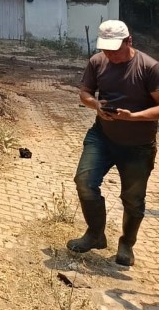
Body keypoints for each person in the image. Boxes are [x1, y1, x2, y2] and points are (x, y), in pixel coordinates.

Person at [68, 20, 159, 266]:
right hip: (102, 137)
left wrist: (134, 117)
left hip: (139, 146)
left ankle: (127, 244)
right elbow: (85, 93)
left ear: (129, 41)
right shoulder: (97, 62)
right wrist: (96, 105)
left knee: (133, 200)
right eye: (105, 49)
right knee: (84, 182)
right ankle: (95, 234)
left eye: (115, 50)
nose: (109, 55)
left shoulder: (149, 68)